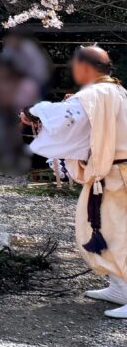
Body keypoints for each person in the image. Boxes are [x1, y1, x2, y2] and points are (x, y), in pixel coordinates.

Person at [30, 46, 127, 317]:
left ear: (85, 67)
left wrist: (33, 113)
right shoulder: (114, 91)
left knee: (119, 234)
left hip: (117, 176)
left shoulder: (98, 93)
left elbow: (66, 118)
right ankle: (119, 286)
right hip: (112, 174)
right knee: (103, 230)